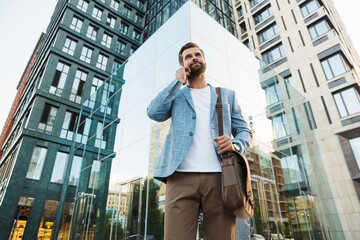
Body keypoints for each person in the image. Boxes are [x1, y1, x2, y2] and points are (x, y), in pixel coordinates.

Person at [147, 42, 253, 240]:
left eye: (197, 54)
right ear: (183, 65)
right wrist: (177, 82)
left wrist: (235, 144)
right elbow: (154, 112)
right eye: (188, 56)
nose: (194, 58)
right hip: (180, 177)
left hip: (222, 178)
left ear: (204, 60)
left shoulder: (226, 95)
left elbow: (245, 131)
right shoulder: (176, 95)